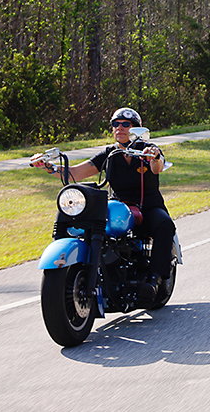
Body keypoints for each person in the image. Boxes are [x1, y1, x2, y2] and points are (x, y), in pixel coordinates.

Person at [30, 107, 175, 300]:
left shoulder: (148, 150)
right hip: (117, 208)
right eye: (115, 124)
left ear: (136, 129)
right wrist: (50, 168)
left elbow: (156, 167)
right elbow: (75, 173)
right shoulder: (110, 154)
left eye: (125, 124)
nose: (119, 128)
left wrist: (154, 156)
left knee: (164, 225)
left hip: (147, 207)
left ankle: (154, 279)